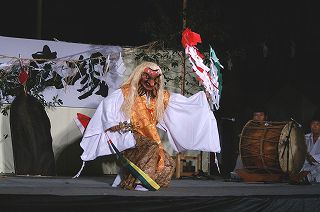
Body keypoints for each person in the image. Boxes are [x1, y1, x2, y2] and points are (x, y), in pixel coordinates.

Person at [77, 61, 221, 191]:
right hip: (129, 138)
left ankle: (128, 178)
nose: (151, 83)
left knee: (167, 163)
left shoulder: (160, 97)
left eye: (155, 79)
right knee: (151, 147)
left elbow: (184, 105)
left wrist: (204, 98)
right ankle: (140, 182)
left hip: (148, 141)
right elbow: (107, 106)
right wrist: (112, 123)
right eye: (147, 77)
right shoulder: (126, 93)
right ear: (140, 76)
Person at [230, 109, 267, 180]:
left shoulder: (268, 127)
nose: (258, 117)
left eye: (261, 115)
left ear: (265, 117)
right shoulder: (249, 127)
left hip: (265, 152)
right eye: (256, 115)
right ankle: (238, 173)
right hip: (252, 151)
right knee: (242, 154)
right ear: (253, 117)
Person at [300, 114, 320, 183]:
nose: (315, 126)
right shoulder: (305, 137)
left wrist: (312, 158)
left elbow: (313, 159)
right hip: (307, 166)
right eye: (313, 124)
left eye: (317, 124)